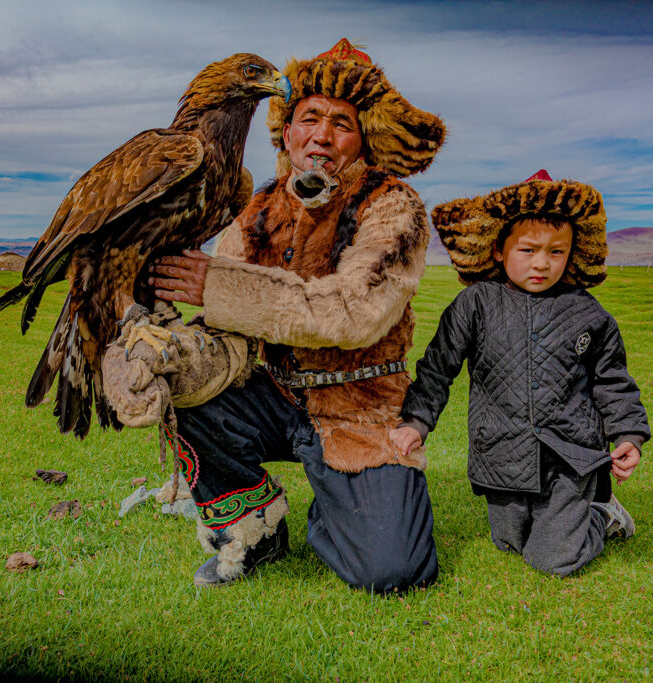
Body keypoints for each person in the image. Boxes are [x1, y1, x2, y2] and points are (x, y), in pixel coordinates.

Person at [103, 39, 446, 592]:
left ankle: (345, 508)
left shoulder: (393, 206)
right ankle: (253, 531)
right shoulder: (255, 208)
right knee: (193, 390)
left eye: (342, 123)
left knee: (391, 571)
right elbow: (227, 330)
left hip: (359, 408)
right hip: (278, 394)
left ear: (363, 141)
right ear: (287, 131)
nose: (323, 135)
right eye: (309, 118)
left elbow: (354, 313)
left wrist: (222, 285)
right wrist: (171, 355)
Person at [390, 170, 651, 577]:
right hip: (501, 450)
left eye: (556, 252)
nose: (543, 264)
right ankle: (571, 518)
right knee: (509, 542)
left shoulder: (588, 313)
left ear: (571, 253)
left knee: (552, 559)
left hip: (571, 453)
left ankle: (602, 516)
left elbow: (611, 380)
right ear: (498, 250)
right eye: (528, 250)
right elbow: (438, 367)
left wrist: (629, 434)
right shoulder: (474, 304)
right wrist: (417, 422)